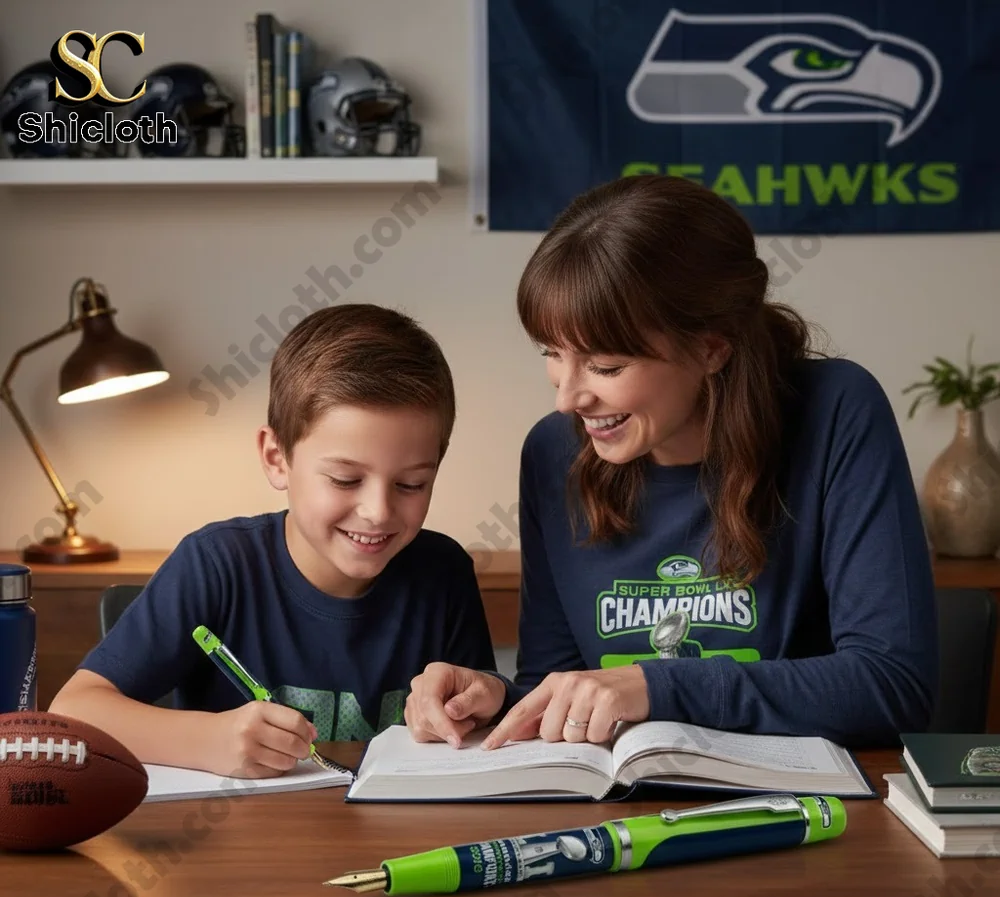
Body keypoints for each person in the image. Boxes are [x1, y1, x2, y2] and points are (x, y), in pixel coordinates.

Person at [404, 174, 938, 751]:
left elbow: (892, 685)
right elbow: (557, 685)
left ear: (711, 348)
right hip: (620, 798)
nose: (567, 398)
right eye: (552, 353)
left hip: (803, 796)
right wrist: (496, 699)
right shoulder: (552, 452)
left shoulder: (837, 411)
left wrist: (656, 686)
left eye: (606, 367)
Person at [50, 304, 499, 777]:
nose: (379, 511)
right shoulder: (216, 565)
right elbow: (73, 711)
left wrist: (477, 701)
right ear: (276, 457)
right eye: (345, 479)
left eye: (411, 484)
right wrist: (208, 740)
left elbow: (482, 723)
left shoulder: (443, 572)